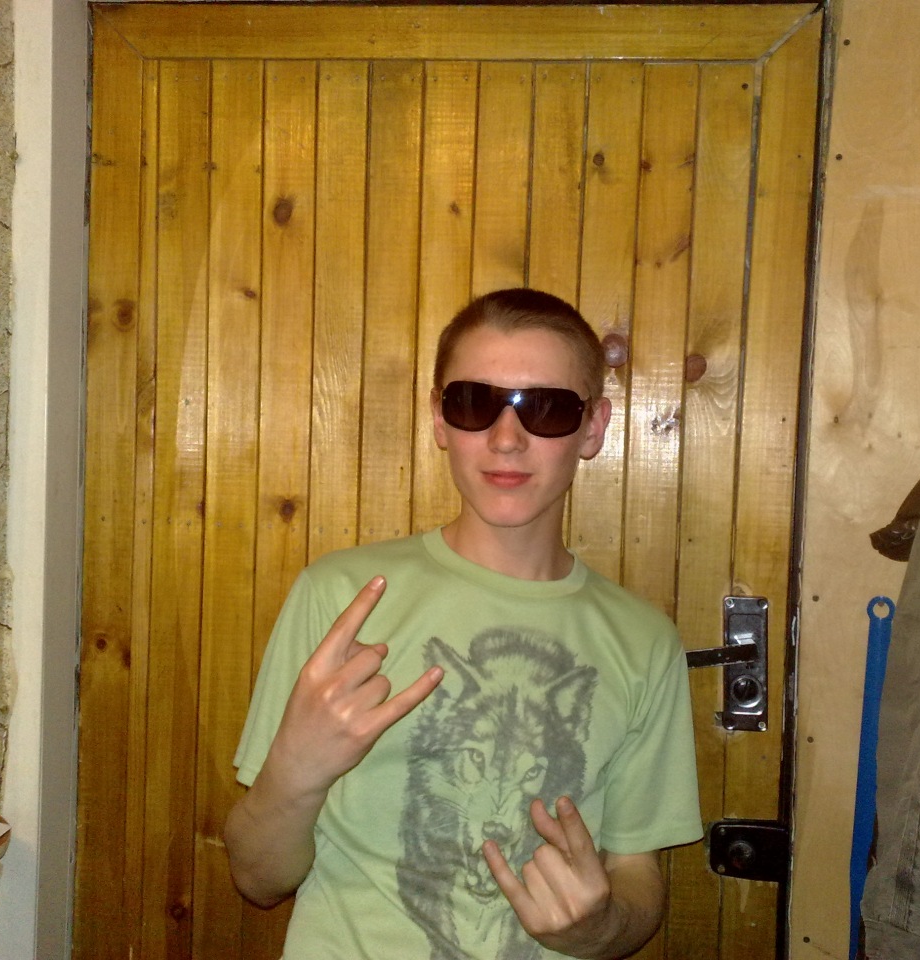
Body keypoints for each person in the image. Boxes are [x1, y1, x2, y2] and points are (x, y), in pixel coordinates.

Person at [224, 288, 701, 959]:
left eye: (546, 409)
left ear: (593, 427)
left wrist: (597, 929)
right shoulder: (342, 599)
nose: (506, 438)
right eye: (474, 403)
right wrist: (293, 771)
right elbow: (258, 879)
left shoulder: (643, 641)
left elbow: (637, 877)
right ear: (439, 419)